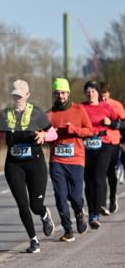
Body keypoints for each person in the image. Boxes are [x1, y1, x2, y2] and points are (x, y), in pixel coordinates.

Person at [0, 79, 57, 253]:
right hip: (14, 165)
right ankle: (34, 240)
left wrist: (44, 135)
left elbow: (53, 133)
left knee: (35, 205)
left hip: (35, 164)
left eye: (21, 95)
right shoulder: (5, 114)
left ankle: (44, 214)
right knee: (22, 204)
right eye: (15, 95)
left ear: (27, 95)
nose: (17, 98)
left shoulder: (37, 113)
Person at [45, 77, 93, 241]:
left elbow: (90, 131)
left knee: (75, 197)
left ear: (68, 93)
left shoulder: (79, 110)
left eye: (63, 92)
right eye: (57, 93)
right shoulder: (49, 114)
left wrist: (74, 130)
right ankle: (67, 229)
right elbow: (42, 133)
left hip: (76, 160)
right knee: (60, 196)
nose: (60, 96)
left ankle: (79, 213)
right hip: (57, 160)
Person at [81, 80, 120, 229]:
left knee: (98, 179)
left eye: (93, 91)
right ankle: (91, 212)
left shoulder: (107, 107)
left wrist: (111, 123)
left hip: (103, 145)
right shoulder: (80, 108)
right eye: (88, 91)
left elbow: (121, 123)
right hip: (86, 146)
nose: (91, 94)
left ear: (98, 93)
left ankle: (95, 215)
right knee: (88, 181)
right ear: (85, 93)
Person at [99, 82, 125, 214]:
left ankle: (113, 198)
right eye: (100, 96)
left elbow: (124, 124)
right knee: (101, 173)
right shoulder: (94, 105)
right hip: (99, 144)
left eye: (105, 96)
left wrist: (113, 124)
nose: (102, 99)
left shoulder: (116, 105)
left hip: (114, 143)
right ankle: (102, 204)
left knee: (111, 173)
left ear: (109, 94)